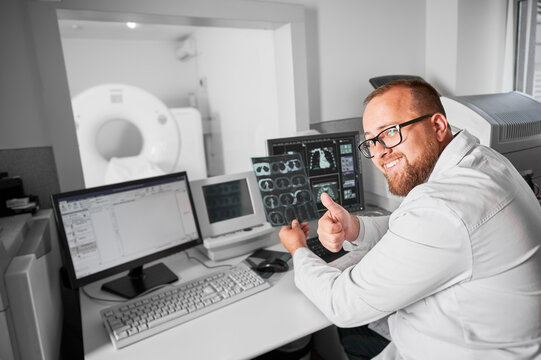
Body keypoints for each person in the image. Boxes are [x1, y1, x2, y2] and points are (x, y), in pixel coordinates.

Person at [279, 79, 541, 359]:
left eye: (390, 132)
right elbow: (412, 224)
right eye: (371, 140)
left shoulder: (444, 208)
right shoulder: (482, 161)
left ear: (438, 126)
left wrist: (299, 250)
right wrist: (355, 228)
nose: (379, 152)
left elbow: (342, 304)